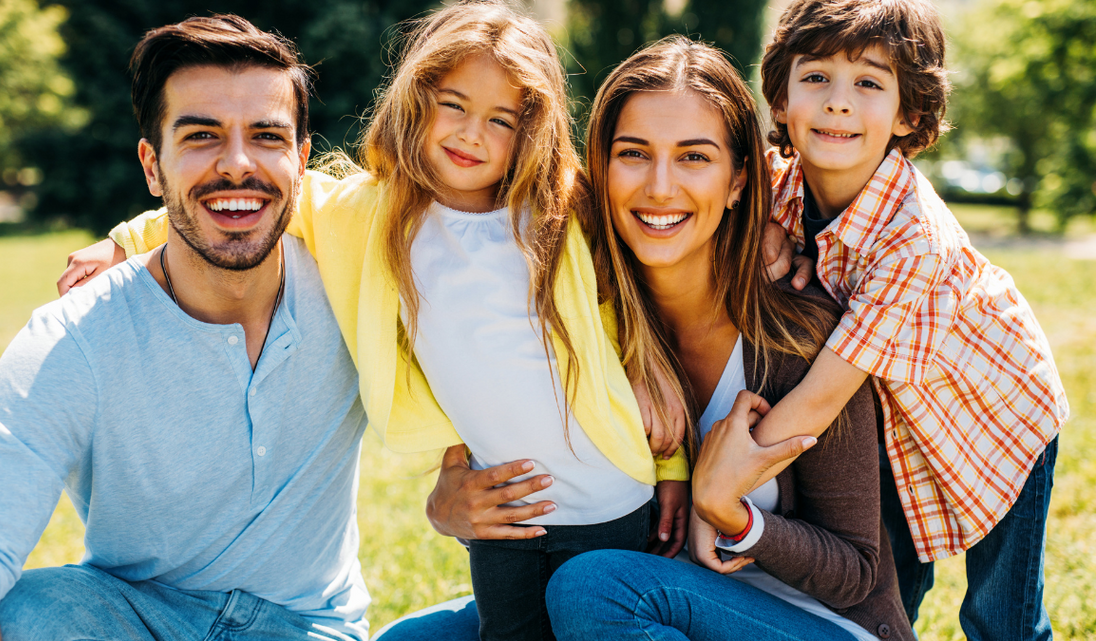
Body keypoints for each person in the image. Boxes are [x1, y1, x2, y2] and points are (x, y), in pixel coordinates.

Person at [62, 3, 692, 639]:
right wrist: (118, 243)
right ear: (417, 99)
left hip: (617, 498)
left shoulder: (563, 211)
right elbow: (246, 197)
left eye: (500, 119)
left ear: (531, 128)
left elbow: (633, 328)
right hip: (495, 516)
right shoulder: (368, 214)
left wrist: (671, 470)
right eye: (454, 105)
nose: (472, 134)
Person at [0, 15, 372, 641]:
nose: (237, 164)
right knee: (29, 615)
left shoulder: (354, 288)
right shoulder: (74, 339)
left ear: (301, 160)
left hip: (308, 627)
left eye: (265, 136)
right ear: (153, 167)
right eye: (202, 136)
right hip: (128, 614)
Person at [541, 35, 912, 641]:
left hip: (825, 625)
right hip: (659, 607)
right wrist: (455, 484)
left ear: (741, 180)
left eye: (694, 157)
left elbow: (858, 573)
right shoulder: (586, 320)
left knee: (592, 589)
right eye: (634, 153)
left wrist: (731, 512)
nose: (660, 187)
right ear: (601, 168)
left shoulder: (801, 338)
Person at [738, 1, 1068, 638]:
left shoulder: (912, 238)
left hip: (999, 414)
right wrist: (761, 228)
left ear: (908, 113)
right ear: (780, 99)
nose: (838, 102)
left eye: (868, 82)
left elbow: (815, 403)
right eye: (815, 78)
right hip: (895, 424)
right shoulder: (778, 183)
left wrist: (732, 481)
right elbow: (728, 180)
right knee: (887, 600)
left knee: (1001, 618)